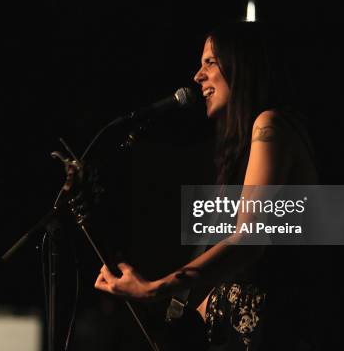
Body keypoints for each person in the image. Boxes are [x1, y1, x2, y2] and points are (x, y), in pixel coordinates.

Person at [94, 23, 318, 350]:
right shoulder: (242, 147)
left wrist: (155, 288)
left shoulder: (271, 126)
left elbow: (249, 242)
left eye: (210, 62)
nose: (198, 76)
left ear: (241, 64)